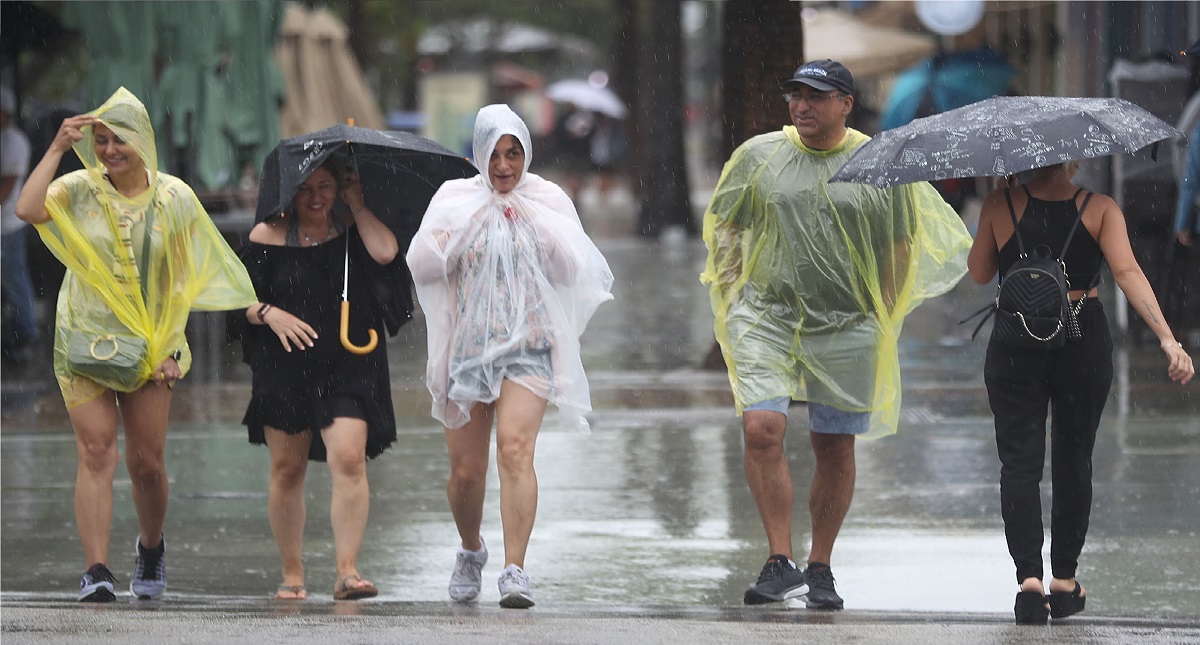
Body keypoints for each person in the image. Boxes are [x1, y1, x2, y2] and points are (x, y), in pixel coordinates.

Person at [700, 60, 971, 609]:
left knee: (834, 443)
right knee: (762, 428)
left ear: (846, 103)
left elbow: (899, 244)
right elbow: (727, 223)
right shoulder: (760, 157)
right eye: (796, 95)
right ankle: (780, 560)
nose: (802, 105)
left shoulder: (879, 164)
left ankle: (819, 565)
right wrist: (732, 295)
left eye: (817, 96)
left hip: (848, 322)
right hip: (766, 316)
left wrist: (882, 312)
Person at [13, 87, 257, 602]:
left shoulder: (175, 198)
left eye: (119, 138)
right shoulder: (78, 189)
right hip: (83, 340)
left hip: (150, 347)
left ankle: (150, 546)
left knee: (146, 463)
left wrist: (171, 349)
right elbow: (26, 208)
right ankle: (96, 570)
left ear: (142, 139)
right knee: (96, 451)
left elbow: (183, 279)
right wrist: (57, 148)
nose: (109, 149)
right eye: (101, 139)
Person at [968, 161, 1195, 623]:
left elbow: (978, 273)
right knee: (1074, 459)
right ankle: (1064, 580)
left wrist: (1006, 203)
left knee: (1019, 461)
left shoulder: (999, 203)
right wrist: (1168, 337)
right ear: (1073, 160)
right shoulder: (1100, 209)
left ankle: (1029, 580)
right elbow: (1128, 273)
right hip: (1081, 339)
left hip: (1016, 340)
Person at [406, 104, 612, 608]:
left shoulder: (547, 198)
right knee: (466, 473)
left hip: (530, 347)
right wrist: (464, 229)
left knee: (516, 450)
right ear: (478, 154)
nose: (503, 165)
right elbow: (421, 263)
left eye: (513, 153)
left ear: (526, 153)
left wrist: (537, 226)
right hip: (469, 350)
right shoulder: (455, 198)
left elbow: (573, 270)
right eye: (494, 154)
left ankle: (515, 569)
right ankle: (471, 548)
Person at [232, 158, 410, 601]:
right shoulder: (265, 236)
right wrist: (269, 314)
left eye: (326, 186)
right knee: (287, 469)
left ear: (339, 187)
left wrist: (358, 205)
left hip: (349, 361)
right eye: (306, 187)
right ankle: (292, 573)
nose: (316, 197)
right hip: (285, 365)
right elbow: (234, 301)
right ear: (290, 191)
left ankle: (347, 571)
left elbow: (387, 253)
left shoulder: (354, 231)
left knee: (349, 458)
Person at [1, 86, 37, 362]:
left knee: (15, 278)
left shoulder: (14, 142)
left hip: (9, 223)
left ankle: (26, 332)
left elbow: (8, 185)